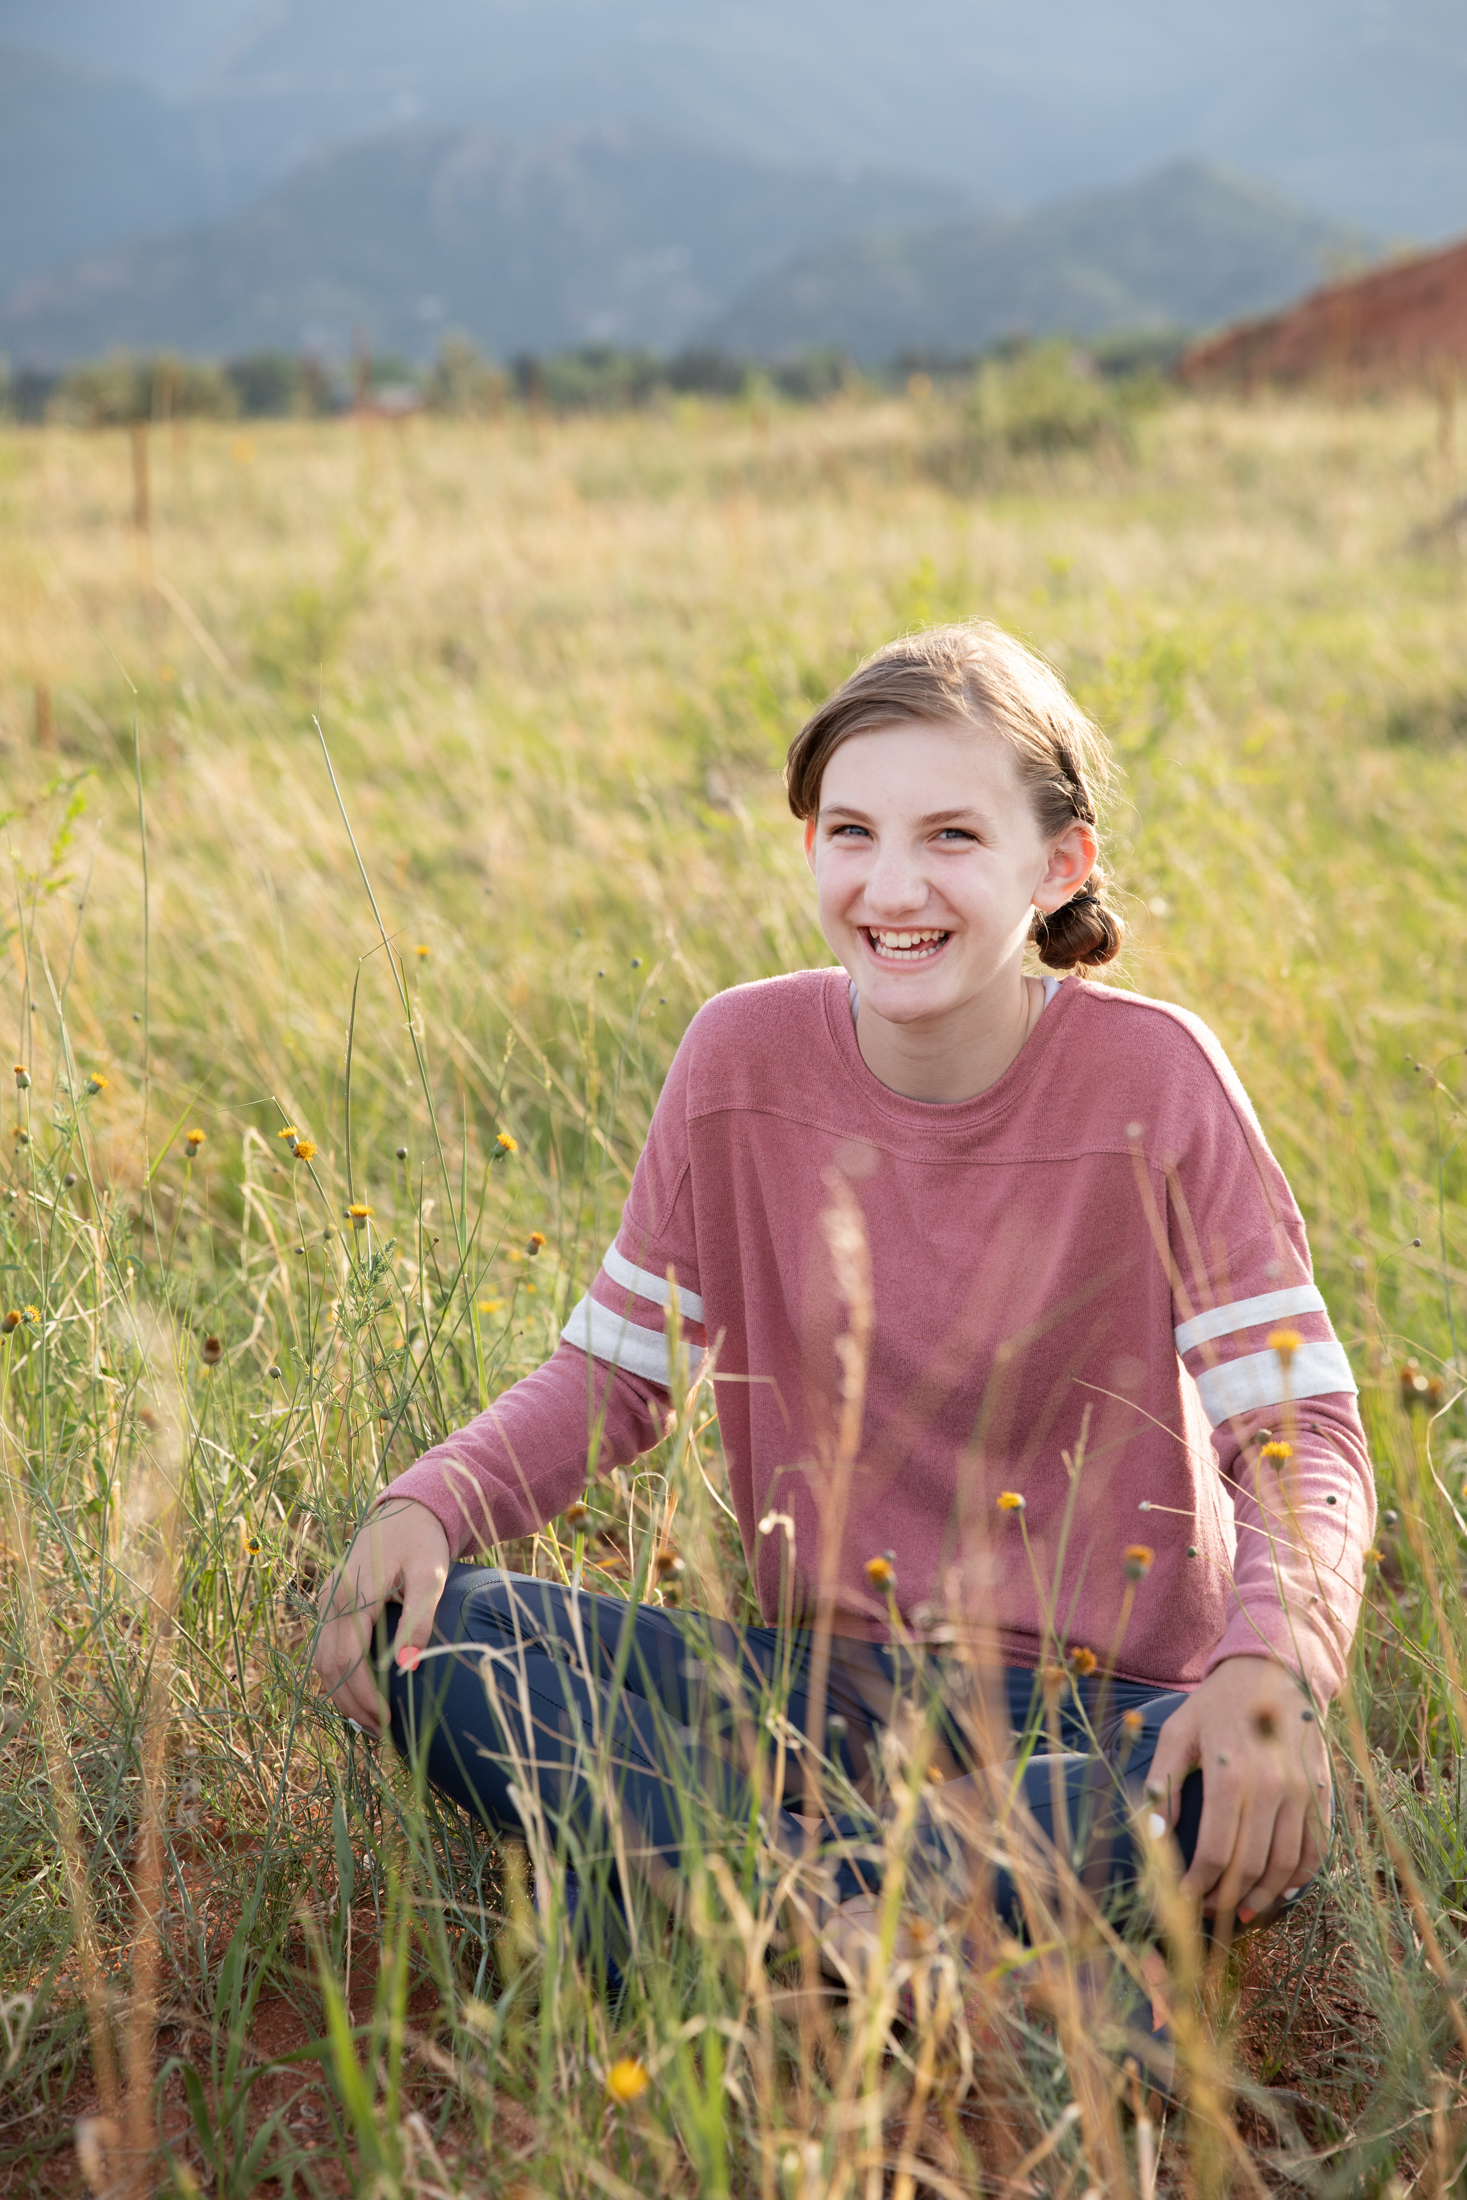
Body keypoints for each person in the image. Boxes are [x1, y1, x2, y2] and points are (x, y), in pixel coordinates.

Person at [313, 620, 1368, 1994]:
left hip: (1100, 1717)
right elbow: (612, 1381)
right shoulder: (738, 1054)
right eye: (852, 832)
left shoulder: (1158, 1078)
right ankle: (872, 1909)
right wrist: (427, 1503)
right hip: (808, 1690)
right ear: (810, 845)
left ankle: (710, 1897)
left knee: (1210, 1803)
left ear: (1059, 869)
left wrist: (1268, 1673)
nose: (891, 884)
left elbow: (1302, 1434)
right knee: (429, 1629)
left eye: (950, 838)